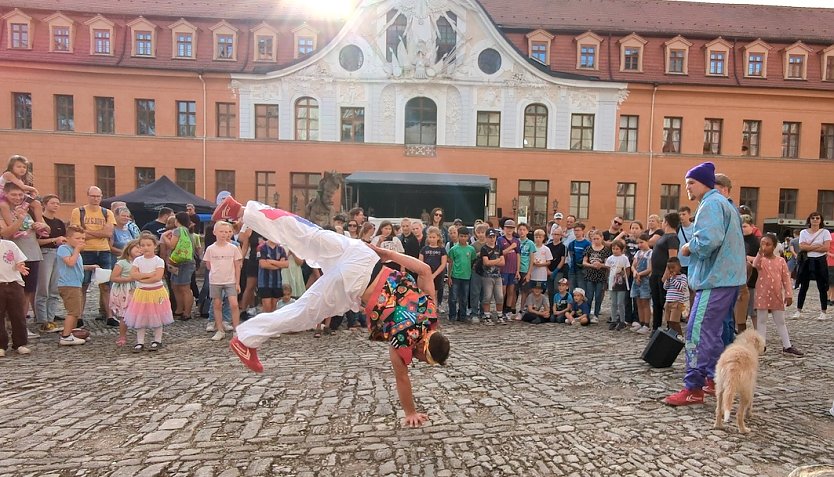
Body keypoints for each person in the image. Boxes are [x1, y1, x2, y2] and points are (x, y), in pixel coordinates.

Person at [214, 198, 449, 427]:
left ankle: (242, 211)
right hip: (354, 283)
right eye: (422, 360)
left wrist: (387, 254)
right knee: (303, 311)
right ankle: (245, 339)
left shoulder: (429, 312)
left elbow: (425, 270)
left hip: (364, 256)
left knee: (308, 235)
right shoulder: (405, 342)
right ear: (422, 350)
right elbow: (402, 378)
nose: (417, 361)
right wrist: (410, 412)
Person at [663, 162, 746, 406]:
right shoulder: (721, 203)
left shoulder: (710, 204)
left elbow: (709, 241)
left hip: (715, 279)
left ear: (704, 183)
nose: (687, 187)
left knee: (697, 332)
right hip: (725, 279)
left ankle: (693, 388)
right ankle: (712, 378)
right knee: (713, 332)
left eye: (691, 182)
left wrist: (688, 247)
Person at [0, 182, 47, 335]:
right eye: (14, 195)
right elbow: (7, 233)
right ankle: (9, 327)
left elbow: (47, 227)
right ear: (5, 194)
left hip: (32, 253)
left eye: (20, 195)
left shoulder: (29, 208)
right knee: (11, 293)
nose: (18, 198)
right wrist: (19, 219)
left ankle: (21, 327)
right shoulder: (4, 210)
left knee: (27, 292)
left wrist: (41, 226)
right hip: (13, 256)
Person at [70, 186, 116, 322]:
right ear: (88, 196)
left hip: (103, 250)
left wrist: (88, 232)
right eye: (93, 196)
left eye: (98, 196)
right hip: (85, 251)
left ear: (101, 197)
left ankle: (109, 316)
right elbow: (77, 234)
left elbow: (108, 233)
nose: (95, 199)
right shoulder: (78, 211)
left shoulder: (107, 213)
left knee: (106, 285)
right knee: (83, 285)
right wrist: (97, 233)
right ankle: (79, 316)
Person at [753, 234, 803, 356]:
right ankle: (761, 345)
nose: (765, 247)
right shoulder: (761, 260)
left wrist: (788, 294)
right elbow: (755, 264)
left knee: (780, 321)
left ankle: (787, 345)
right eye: (763, 244)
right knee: (761, 320)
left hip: (776, 295)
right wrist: (760, 253)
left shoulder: (780, 261)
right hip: (762, 294)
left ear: (774, 246)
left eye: (768, 244)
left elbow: (786, 278)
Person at [125, 234, 174, 352]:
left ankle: (157, 340)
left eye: (148, 245)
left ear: (154, 246)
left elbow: (157, 277)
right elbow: (133, 274)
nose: (145, 247)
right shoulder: (138, 260)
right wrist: (147, 275)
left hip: (156, 292)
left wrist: (142, 277)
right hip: (142, 292)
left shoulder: (159, 261)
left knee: (157, 315)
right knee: (140, 316)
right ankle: (140, 342)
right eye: (143, 245)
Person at [204, 221, 243, 341]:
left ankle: (236, 329)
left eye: (226, 232)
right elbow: (208, 264)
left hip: (230, 280)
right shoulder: (211, 249)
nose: (224, 234)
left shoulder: (233, 248)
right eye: (221, 231)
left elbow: (237, 266)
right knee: (217, 304)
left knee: (234, 304)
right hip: (216, 281)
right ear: (215, 232)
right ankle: (220, 329)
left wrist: (237, 282)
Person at [56, 226, 92, 346]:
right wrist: (77, 250)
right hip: (68, 284)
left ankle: (71, 332)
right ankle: (65, 336)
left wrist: (90, 267)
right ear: (68, 238)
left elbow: (76, 265)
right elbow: (70, 263)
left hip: (76, 284)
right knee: (73, 311)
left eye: (83, 238)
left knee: (77, 311)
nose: (81, 241)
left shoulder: (76, 252)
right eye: (77, 238)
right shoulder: (64, 249)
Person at [35, 194, 66, 332]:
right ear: (45, 204)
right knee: (43, 287)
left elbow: (64, 238)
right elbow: (37, 241)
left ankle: (51, 318)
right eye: (53, 203)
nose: (56, 205)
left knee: (54, 288)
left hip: (58, 254)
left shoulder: (59, 223)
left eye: (58, 203)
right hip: (45, 253)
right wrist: (53, 240)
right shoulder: (40, 221)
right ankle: (42, 319)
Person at [794, 211, 831, 320]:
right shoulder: (804, 232)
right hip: (807, 260)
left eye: (817, 218)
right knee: (803, 286)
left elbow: (826, 248)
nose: (815, 220)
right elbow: (802, 246)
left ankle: (823, 311)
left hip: (820, 260)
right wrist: (816, 246)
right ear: (809, 220)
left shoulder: (825, 232)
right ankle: (798, 310)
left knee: (822, 286)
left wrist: (809, 246)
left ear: (821, 220)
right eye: (813, 218)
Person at [163, 212, 198, 321]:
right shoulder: (189, 231)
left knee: (182, 287)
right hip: (188, 261)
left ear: (177, 220)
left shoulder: (178, 231)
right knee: (178, 286)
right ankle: (182, 310)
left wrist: (164, 237)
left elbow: (172, 245)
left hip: (179, 261)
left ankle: (184, 311)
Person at [649, 213, 680, 331]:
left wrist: (666, 275)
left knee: (665, 303)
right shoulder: (664, 236)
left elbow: (672, 258)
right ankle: (656, 327)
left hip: (663, 274)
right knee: (656, 303)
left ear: (666, 222)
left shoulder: (672, 237)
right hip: (655, 273)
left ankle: (669, 328)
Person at [0, 235, 30, 356]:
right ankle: (1, 345)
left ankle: (20, 343)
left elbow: (19, 260)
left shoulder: (9, 245)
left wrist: (20, 266)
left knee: (17, 315)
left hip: (13, 284)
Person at [110, 240, 141, 347]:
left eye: (140, 247)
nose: (139, 249)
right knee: (124, 315)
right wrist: (128, 279)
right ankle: (122, 336)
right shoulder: (122, 263)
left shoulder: (141, 262)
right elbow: (113, 278)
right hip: (124, 291)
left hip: (137, 289)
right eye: (136, 247)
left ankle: (140, 337)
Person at [0, 154, 43, 229]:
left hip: (15, 196)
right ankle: (11, 226)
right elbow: (23, 187)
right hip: (2, 196)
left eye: (24, 167)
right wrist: (33, 189)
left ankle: (40, 225)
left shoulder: (21, 178)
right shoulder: (8, 174)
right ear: (11, 167)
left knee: (37, 204)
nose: (22, 169)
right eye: (19, 167)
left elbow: (23, 191)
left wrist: (32, 195)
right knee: (4, 206)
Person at [735, 214, 760, 333]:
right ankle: (738, 330)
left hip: (753, 279)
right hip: (739, 278)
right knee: (739, 308)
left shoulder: (755, 242)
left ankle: (759, 332)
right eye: (741, 226)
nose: (742, 229)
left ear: (751, 226)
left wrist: (745, 258)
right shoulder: (737, 239)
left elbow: (760, 259)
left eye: (745, 226)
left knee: (753, 310)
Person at [582, 230, 611, 323]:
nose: (596, 240)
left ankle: (596, 314)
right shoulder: (589, 248)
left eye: (598, 239)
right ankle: (586, 314)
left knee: (598, 296)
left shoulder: (605, 250)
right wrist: (592, 265)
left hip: (601, 276)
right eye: (594, 239)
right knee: (589, 296)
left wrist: (601, 265)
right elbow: (584, 262)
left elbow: (608, 264)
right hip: (590, 275)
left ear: (602, 238)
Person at [447, 227, 476, 322]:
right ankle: (452, 315)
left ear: (468, 237)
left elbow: (472, 261)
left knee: (464, 299)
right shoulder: (453, 249)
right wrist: (449, 276)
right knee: (453, 298)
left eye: (465, 236)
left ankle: (462, 315)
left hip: (466, 277)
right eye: (461, 236)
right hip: (455, 276)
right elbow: (450, 263)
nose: (463, 238)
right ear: (458, 236)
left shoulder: (471, 249)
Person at [498, 220, 521, 322]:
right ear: (504, 229)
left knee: (511, 291)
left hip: (513, 269)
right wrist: (510, 248)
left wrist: (518, 270)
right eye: (507, 228)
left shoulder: (517, 240)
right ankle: (501, 311)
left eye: (511, 228)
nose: (509, 230)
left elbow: (518, 255)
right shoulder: (500, 239)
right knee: (502, 291)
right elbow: (500, 253)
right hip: (503, 269)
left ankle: (507, 311)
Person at [257, 239, 288, 313]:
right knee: (267, 307)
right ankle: (265, 324)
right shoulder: (261, 247)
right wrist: (279, 265)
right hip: (264, 282)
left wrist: (271, 261)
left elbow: (286, 264)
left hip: (277, 282)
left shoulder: (281, 249)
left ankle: (272, 324)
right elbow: (263, 264)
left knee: (274, 308)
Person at [419, 227, 447, 308]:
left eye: (434, 237)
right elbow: (420, 262)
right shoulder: (424, 249)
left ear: (438, 237)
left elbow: (443, 264)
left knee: (434, 293)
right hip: (425, 274)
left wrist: (434, 275)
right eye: (430, 237)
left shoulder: (441, 249)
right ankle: (425, 309)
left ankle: (434, 310)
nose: (432, 239)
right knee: (425, 292)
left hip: (437, 274)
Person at [630, 233, 653, 334]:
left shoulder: (650, 253)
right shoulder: (638, 253)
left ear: (647, 241)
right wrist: (635, 272)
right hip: (636, 279)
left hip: (645, 280)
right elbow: (633, 265)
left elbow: (650, 269)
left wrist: (640, 274)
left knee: (645, 302)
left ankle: (647, 324)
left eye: (641, 242)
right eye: (638, 243)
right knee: (638, 302)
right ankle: (641, 321)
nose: (640, 245)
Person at [606, 240, 630, 330]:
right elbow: (608, 270)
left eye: (617, 249)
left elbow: (627, 269)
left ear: (621, 250)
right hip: (612, 282)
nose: (615, 250)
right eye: (613, 248)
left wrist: (625, 278)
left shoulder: (624, 258)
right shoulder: (610, 259)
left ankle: (622, 321)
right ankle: (613, 320)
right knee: (613, 303)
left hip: (622, 283)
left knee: (620, 303)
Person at [662, 257, 689, 335]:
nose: (671, 270)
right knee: (669, 321)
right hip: (668, 301)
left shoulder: (683, 277)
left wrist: (673, 279)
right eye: (669, 268)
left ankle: (679, 335)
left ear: (679, 267)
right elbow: (665, 287)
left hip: (677, 302)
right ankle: (671, 335)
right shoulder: (670, 278)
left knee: (674, 321)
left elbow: (681, 287)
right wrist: (668, 280)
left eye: (673, 268)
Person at [469, 223, 489, 322]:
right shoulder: (473, 245)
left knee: (485, 293)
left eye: (483, 232)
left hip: (487, 271)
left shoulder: (489, 244)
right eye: (479, 232)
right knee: (475, 292)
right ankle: (474, 312)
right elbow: (470, 259)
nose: (481, 234)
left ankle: (483, 312)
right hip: (475, 271)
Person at [567, 223, 591, 293]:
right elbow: (570, 256)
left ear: (582, 231)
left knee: (581, 290)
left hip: (582, 270)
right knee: (572, 290)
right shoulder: (571, 244)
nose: (576, 232)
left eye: (578, 230)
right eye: (575, 230)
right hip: (572, 270)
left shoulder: (587, 244)